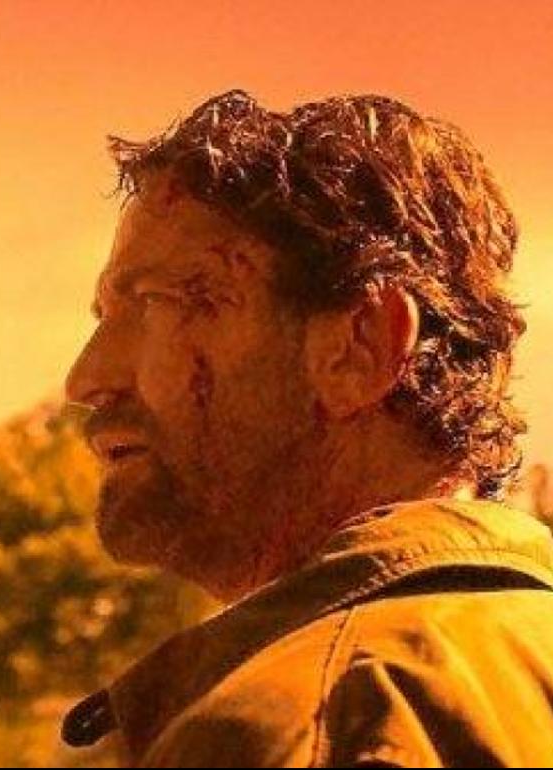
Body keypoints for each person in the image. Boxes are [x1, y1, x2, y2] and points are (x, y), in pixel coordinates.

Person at [60, 90, 553, 767]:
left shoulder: (300, 724)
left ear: (360, 345)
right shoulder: (520, 660)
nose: (85, 379)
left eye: (154, 303)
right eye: (103, 318)